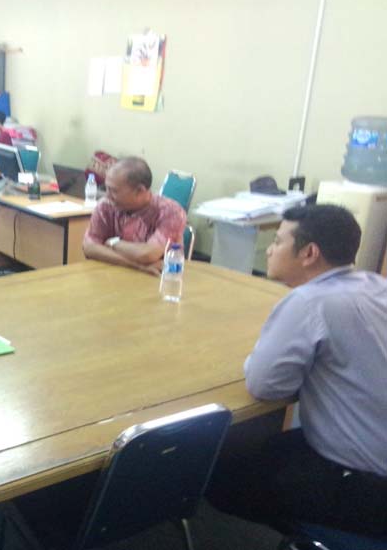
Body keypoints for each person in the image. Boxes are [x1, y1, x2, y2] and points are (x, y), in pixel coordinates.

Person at [209, 204, 387, 537]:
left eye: (277, 241)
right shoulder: (375, 285)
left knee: (220, 479)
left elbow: (264, 385)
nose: (270, 250)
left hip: (364, 487)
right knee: (266, 449)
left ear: (308, 253)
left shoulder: (309, 301)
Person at [82, 157, 186, 276]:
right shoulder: (106, 205)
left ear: (140, 191)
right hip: (114, 275)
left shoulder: (170, 211)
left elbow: (147, 254)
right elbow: (89, 247)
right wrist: (137, 266)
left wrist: (112, 243)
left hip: (159, 279)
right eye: (107, 188)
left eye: (113, 191)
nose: (107, 195)